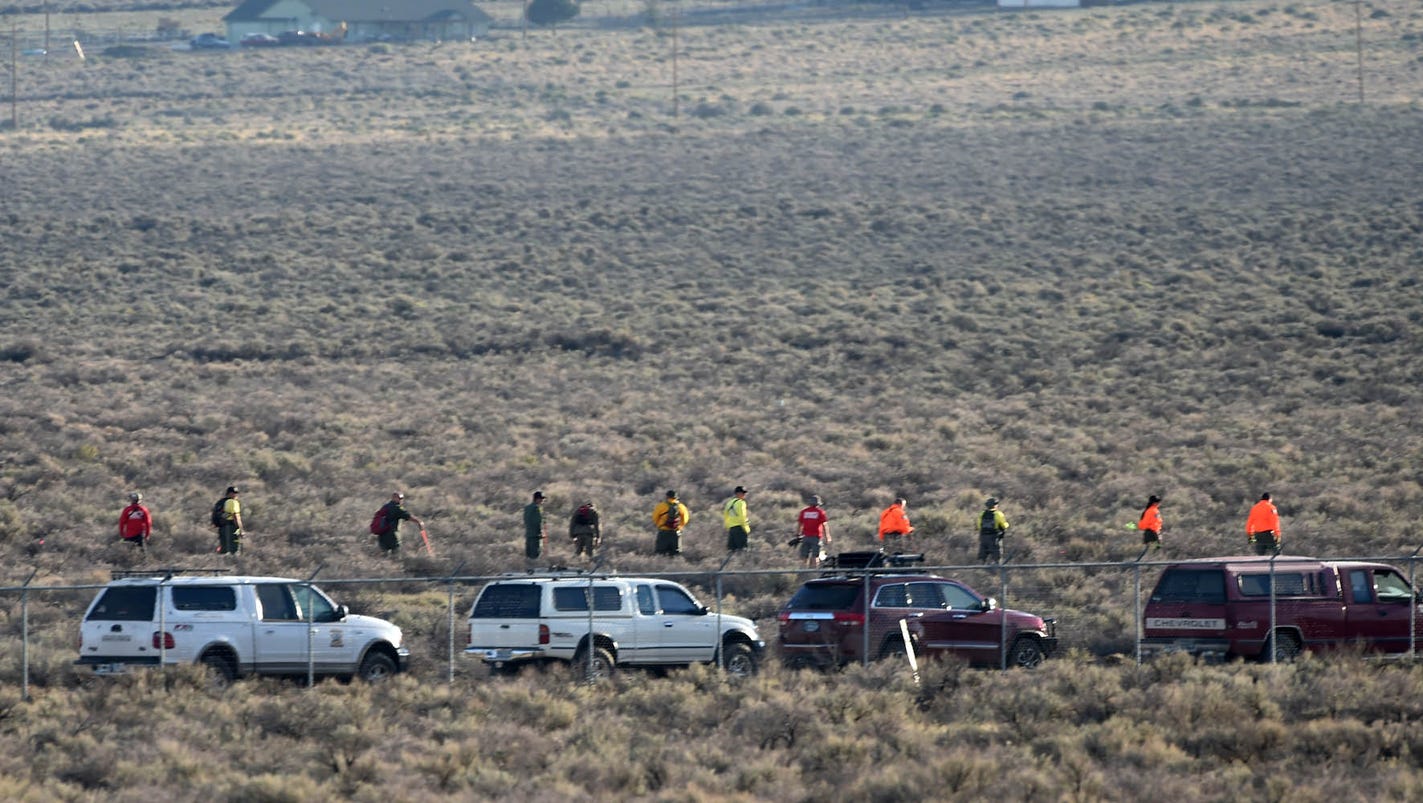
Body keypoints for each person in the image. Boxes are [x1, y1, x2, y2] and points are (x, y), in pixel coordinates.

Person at [796, 495, 831, 568]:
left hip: (805, 537)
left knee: (804, 556)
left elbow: (800, 524)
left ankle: (803, 570)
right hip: (816, 537)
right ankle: (814, 571)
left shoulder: (804, 512)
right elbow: (824, 525)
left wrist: (798, 534)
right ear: (818, 504)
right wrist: (827, 536)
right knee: (815, 555)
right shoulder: (820, 512)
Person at [651, 490, 690, 556]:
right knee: (675, 554)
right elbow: (685, 519)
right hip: (675, 533)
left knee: (660, 553)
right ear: (676, 497)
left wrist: (660, 526)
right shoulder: (681, 507)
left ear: (667, 497)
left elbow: (654, 518)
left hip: (663, 532)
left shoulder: (661, 506)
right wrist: (679, 527)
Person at [977, 497, 1009, 563]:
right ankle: (998, 570)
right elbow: (1004, 525)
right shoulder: (998, 514)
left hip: (983, 538)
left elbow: (979, 526)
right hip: (994, 538)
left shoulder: (982, 514)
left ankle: (981, 569)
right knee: (997, 557)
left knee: (982, 557)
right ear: (995, 505)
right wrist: (1007, 525)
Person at [215, 486, 244, 555]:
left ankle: (221, 564)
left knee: (223, 549)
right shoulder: (233, 502)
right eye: (234, 493)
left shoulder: (222, 502)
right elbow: (236, 517)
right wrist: (240, 530)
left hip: (222, 528)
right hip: (232, 527)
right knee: (235, 549)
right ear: (230, 494)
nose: (236, 495)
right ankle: (234, 564)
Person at [722, 486, 751, 552]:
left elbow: (726, 517)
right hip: (740, 528)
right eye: (743, 493)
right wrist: (746, 529)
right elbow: (742, 516)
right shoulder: (741, 503)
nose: (744, 495)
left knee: (731, 551)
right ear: (738, 494)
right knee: (743, 550)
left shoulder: (729, 503)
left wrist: (728, 527)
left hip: (731, 529)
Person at [524, 491, 547, 561]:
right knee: (534, 557)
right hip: (535, 536)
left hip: (528, 534)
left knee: (528, 556)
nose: (542, 501)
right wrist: (540, 534)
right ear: (537, 499)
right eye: (541, 499)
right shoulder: (536, 508)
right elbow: (537, 522)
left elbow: (526, 520)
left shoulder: (527, 508)